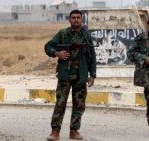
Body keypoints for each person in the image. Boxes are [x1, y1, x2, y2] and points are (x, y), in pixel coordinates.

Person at [44, 9, 96, 141]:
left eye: (78, 17)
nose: (76, 19)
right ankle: (55, 131)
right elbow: (48, 46)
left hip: (81, 76)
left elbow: (92, 56)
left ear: (82, 19)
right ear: (69, 19)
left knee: (79, 105)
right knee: (60, 104)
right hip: (65, 76)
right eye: (73, 17)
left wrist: (92, 75)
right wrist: (57, 53)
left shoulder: (86, 35)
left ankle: (74, 130)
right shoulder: (63, 34)